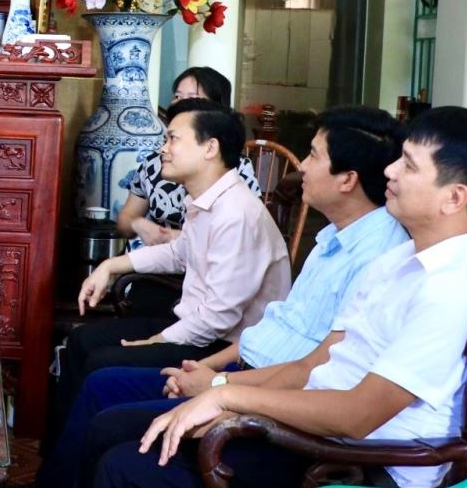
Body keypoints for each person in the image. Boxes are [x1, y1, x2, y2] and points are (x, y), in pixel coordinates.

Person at [11, 106, 467, 488]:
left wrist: (227, 398)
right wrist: (219, 385)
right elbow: (312, 363)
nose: (391, 173)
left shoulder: (448, 290)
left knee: (133, 471)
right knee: (129, 434)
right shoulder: (400, 263)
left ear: (454, 197)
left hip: (362, 482)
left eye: (410, 165)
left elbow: (357, 415)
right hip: (319, 442)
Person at [9, 106, 408, 488]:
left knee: (106, 387)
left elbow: (253, 337)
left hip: (241, 363)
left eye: (312, 155)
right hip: (240, 360)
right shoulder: (328, 238)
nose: (302, 167)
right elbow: (189, 264)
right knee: (87, 348)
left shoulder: (366, 251)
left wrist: (201, 371)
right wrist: (115, 265)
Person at [53, 99, 291, 434]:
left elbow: (216, 318)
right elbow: (179, 252)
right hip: (199, 329)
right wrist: (111, 265)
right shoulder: (207, 199)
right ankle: (55, 473)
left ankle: (70, 473)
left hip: (225, 348)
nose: (163, 149)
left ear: (210, 148)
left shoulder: (236, 214)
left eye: (173, 139)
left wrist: (156, 341)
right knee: (81, 342)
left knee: (101, 364)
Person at [115, 67, 262, 249]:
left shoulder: (232, 170)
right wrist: (138, 224)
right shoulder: (157, 162)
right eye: (177, 96)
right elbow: (125, 218)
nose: (179, 105)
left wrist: (178, 238)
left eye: (192, 98)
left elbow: (243, 238)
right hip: (156, 262)